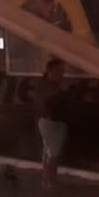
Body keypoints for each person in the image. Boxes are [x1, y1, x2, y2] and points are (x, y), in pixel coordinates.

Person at [34, 58, 69, 188]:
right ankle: (50, 180)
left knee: (48, 151)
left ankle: (47, 179)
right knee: (54, 152)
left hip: (48, 120)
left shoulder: (46, 84)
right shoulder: (50, 86)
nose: (61, 73)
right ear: (50, 70)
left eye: (62, 70)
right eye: (58, 70)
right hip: (52, 121)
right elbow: (49, 104)